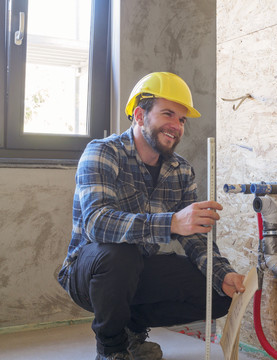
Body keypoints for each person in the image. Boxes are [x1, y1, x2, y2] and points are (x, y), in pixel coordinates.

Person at [57, 72, 245, 360]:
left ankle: (132, 330)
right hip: (90, 273)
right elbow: (97, 223)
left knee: (216, 294)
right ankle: (111, 349)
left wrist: (223, 274)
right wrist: (171, 223)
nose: (176, 126)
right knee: (120, 255)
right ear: (140, 115)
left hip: (136, 270)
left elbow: (194, 237)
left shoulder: (181, 171)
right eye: (168, 114)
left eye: (182, 119)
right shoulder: (103, 153)